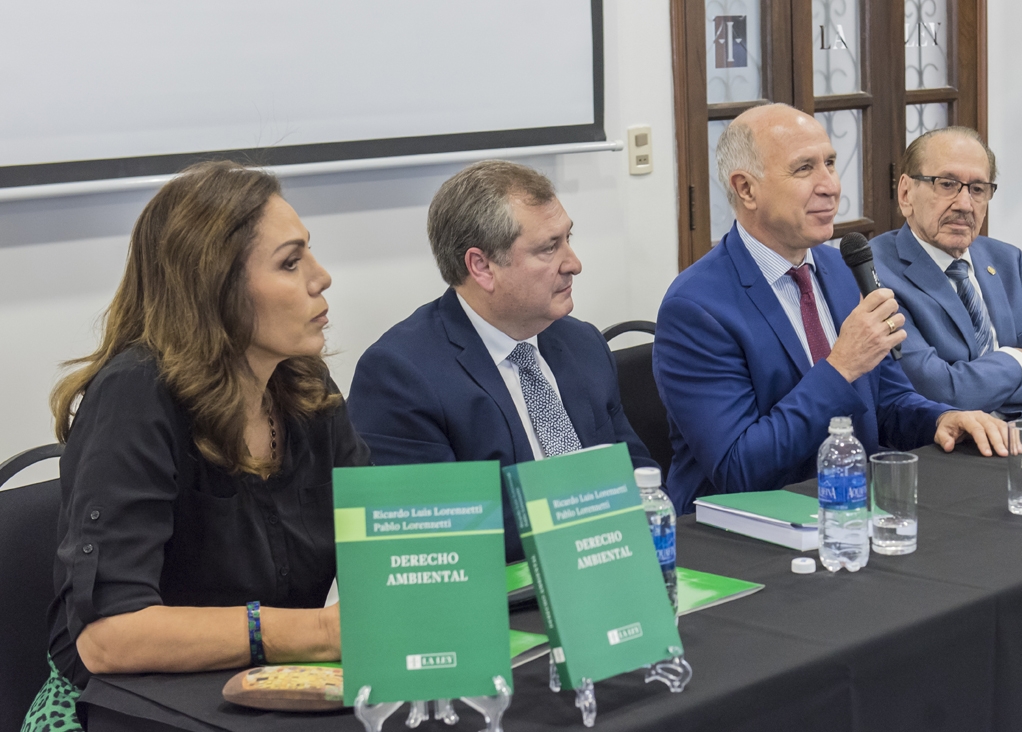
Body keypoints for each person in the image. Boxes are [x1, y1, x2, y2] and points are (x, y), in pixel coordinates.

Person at [24, 162, 369, 732]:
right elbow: (109, 639)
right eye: (290, 261)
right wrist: (317, 634)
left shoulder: (303, 386)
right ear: (214, 286)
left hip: (272, 691)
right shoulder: (134, 396)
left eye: (310, 253)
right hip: (132, 707)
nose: (322, 277)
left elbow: (374, 543)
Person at [654, 104, 1008, 514]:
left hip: (851, 507)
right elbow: (739, 469)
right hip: (744, 534)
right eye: (804, 169)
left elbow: (887, 402)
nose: (830, 185)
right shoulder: (696, 308)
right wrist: (841, 366)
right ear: (746, 189)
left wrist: (941, 420)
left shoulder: (841, 268)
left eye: (831, 163)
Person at [347, 160, 654, 562]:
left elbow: (639, 478)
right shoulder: (400, 376)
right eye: (549, 247)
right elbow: (437, 544)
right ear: (482, 267)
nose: (573, 263)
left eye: (568, 239)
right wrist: (580, 516)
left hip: (609, 573)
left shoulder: (582, 344)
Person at [869, 127, 1022, 415]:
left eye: (978, 189)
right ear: (906, 193)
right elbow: (943, 393)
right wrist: (1016, 359)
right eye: (947, 184)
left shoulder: (1006, 260)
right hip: (945, 451)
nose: (965, 204)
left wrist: (979, 390)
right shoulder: (875, 272)